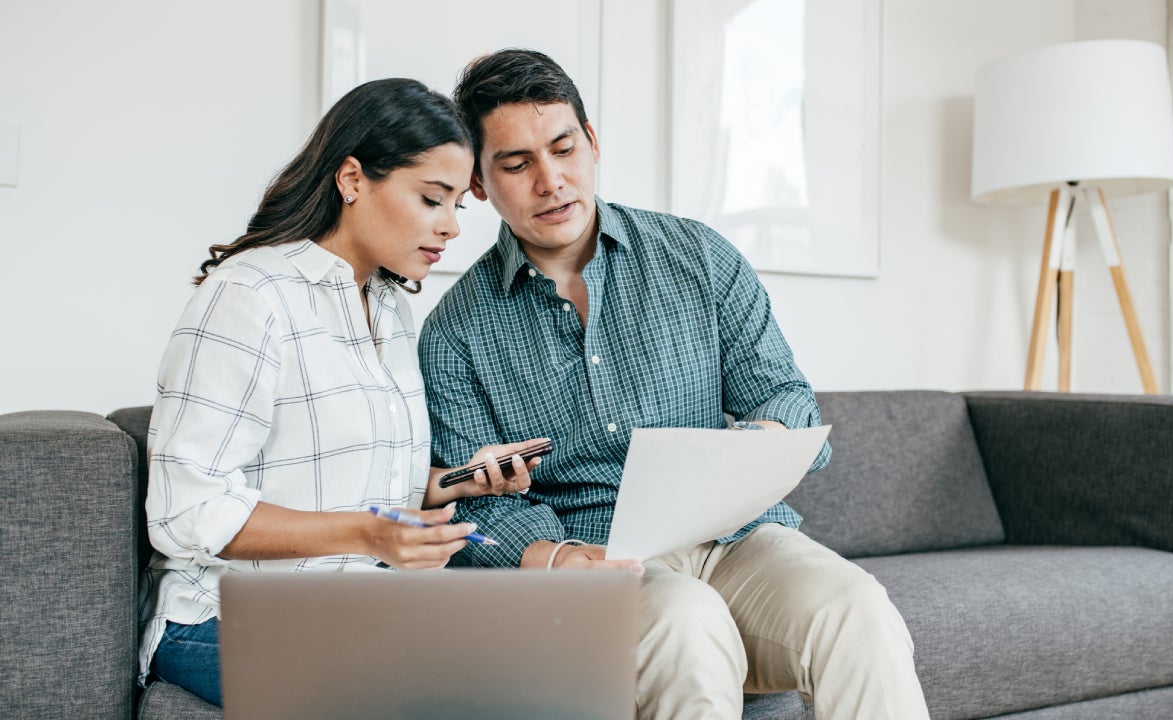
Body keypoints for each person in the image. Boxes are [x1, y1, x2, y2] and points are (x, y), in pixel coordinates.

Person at [419, 49, 931, 719]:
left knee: (856, 608)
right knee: (688, 623)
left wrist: (757, 445)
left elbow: (784, 395)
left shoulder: (699, 257)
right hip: (600, 561)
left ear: (592, 142)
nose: (551, 181)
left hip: (738, 537)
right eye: (517, 165)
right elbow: (475, 512)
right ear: (480, 185)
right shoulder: (454, 332)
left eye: (564, 148)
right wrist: (555, 557)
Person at [138, 78, 547, 707]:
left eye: (456, 207)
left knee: (547, 661)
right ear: (352, 179)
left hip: (359, 604)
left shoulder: (387, 307)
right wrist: (367, 536)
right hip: (225, 619)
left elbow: (366, 489)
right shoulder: (250, 297)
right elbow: (186, 512)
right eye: (431, 199)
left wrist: (459, 481)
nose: (450, 228)